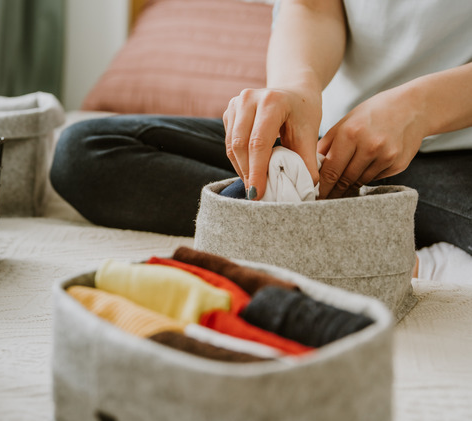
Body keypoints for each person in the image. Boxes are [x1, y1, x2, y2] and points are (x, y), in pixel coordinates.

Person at [50, 0, 472, 282]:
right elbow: (312, 7)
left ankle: (297, 232)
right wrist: (295, 88)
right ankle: (369, 246)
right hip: (324, 142)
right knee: (85, 152)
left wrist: (420, 106)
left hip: (457, 153)